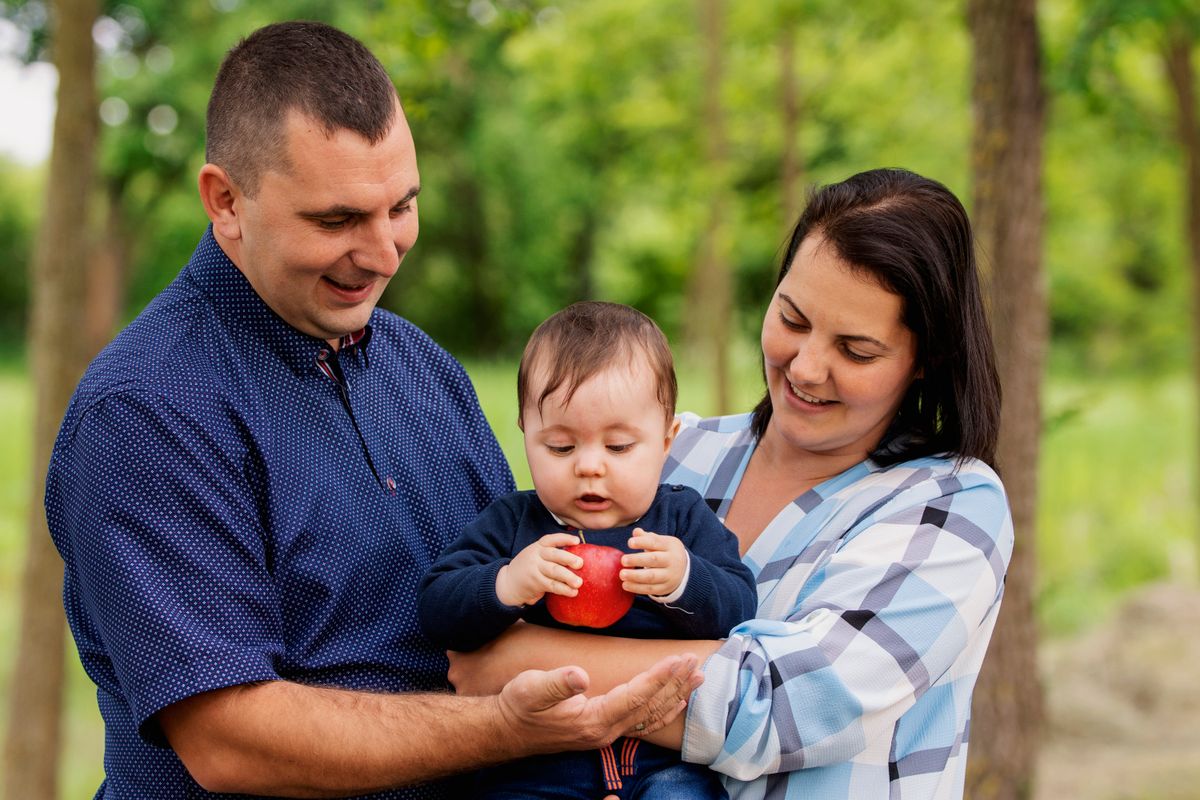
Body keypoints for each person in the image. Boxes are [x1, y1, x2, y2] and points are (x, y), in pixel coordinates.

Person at [44, 21, 699, 800]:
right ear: (225, 201)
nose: (386, 252)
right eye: (337, 220)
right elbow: (230, 741)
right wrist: (508, 727)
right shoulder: (147, 412)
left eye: (402, 206)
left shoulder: (421, 365)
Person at [447, 168, 1015, 799]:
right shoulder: (676, 452)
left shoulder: (951, 505)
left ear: (925, 361)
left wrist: (514, 661)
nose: (804, 366)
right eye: (793, 319)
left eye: (855, 350)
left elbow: (786, 706)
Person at [418, 301, 758, 798]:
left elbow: (739, 605)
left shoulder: (681, 521)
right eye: (560, 447)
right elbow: (437, 608)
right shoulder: (515, 524)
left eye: (619, 447)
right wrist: (507, 583)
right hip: (534, 763)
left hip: (660, 761)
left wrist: (686, 579)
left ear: (666, 442)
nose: (589, 466)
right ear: (526, 435)